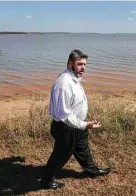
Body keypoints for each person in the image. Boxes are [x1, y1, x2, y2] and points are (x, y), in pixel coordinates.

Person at [40, 49, 112, 190]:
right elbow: (64, 116)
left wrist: (83, 125)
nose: (83, 68)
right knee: (60, 157)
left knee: (83, 149)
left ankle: (92, 170)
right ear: (70, 63)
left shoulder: (74, 78)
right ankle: (46, 181)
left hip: (77, 126)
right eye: (80, 64)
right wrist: (86, 124)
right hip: (66, 128)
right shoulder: (64, 83)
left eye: (85, 65)